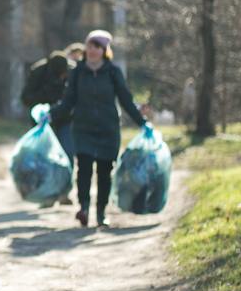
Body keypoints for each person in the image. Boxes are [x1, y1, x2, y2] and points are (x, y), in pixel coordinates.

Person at [50, 29, 151, 228]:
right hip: (83, 128)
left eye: (97, 47)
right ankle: (84, 208)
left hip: (108, 129)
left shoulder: (113, 72)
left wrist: (142, 122)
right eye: (89, 45)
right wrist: (50, 114)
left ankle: (101, 212)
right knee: (84, 170)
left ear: (104, 50)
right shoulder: (77, 72)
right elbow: (68, 101)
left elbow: (125, 100)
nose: (92, 50)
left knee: (105, 172)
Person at [21, 49, 76, 205]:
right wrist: (46, 97)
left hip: (65, 120)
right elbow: (26, 98)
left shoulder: (72, 72)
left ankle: (64, 192)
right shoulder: (38, 72)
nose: (62, 77)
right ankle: (47, 195)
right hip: (43, 123)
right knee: (43, 159)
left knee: (67, 154)